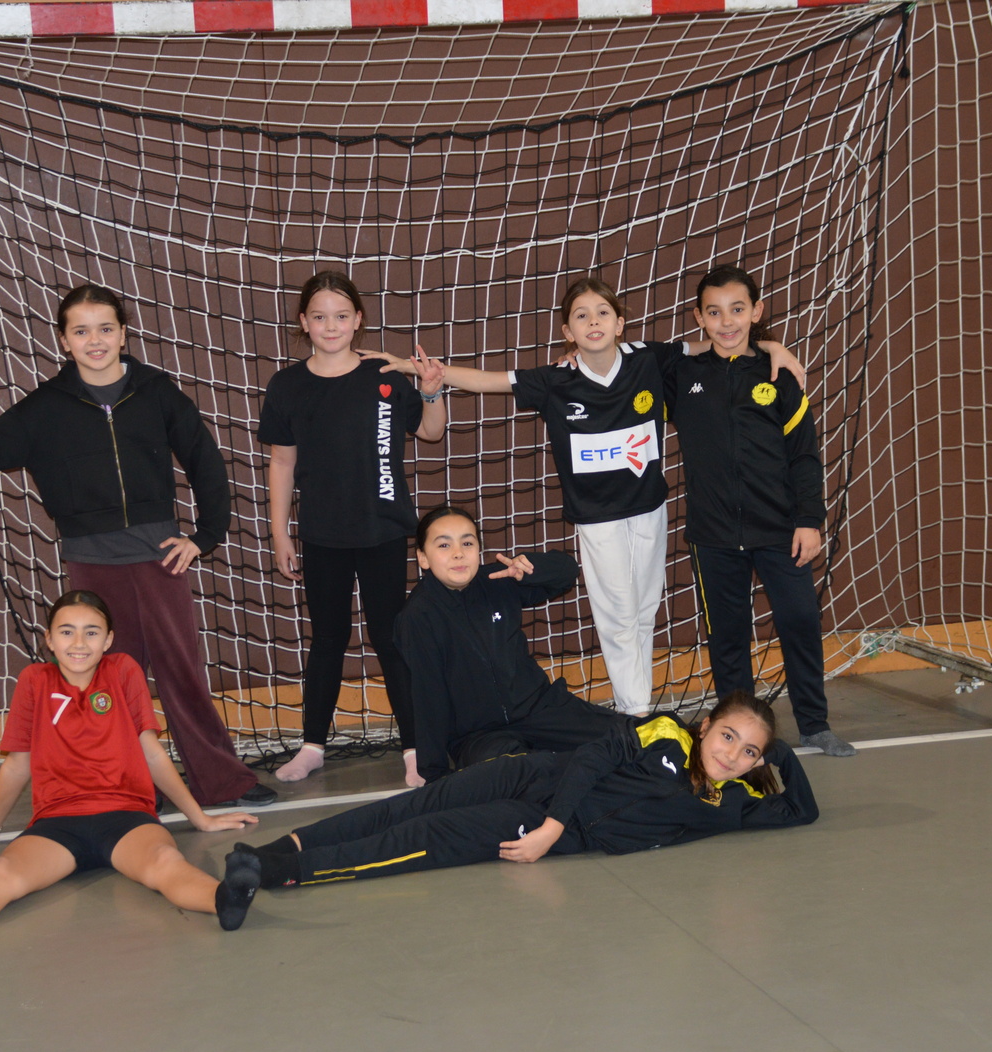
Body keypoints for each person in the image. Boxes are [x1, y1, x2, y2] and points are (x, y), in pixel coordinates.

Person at [0, 283, 275, 806]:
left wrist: (204, 536)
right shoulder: (46, 408)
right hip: (93, 565)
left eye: (106, 329)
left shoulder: (156, 393)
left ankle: (222, 782)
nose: (96, 341)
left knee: (182, 674)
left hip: (160, 559)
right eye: (82, 331)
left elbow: (205, 460)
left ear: (124, 334)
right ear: (64, 341)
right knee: (108, 681)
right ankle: (130, 785)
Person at [369, 278, 804, 717]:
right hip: (598, 519)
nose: (593, 321)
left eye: (602, 313)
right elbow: (488, 381)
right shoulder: (556, 379)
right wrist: (420, 369)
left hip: (650, 509)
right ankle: (635, 713)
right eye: (581, 315)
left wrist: (772, 347)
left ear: (619, 323)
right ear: (567, 331)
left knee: (644, 610)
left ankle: (638, 706)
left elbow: (717, 345)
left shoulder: (648, 357)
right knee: (617, 616)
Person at [0, 591, 263, 957]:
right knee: (2, 874)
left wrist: (200, 818)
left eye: (92, 632)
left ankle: (223, 900)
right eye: (67, 632)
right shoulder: (34, 680)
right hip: (57, 823)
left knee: (164, 862)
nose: (79, 642)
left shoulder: (123, 670)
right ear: (50, 640)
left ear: (108, 640)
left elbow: (152, 753)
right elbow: (17, 764)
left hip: (126, 817)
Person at [217, 690, 816, 892]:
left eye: (749, 752)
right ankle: (279, 849)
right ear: (705, 725)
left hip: (552, 828)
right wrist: (552, 827)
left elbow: (800, 811)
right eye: (729, 735)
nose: (731, 754)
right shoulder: (666, 734)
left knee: (425, 836)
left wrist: (779, 748)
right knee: (412, 803)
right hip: (537, 779)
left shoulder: (728, 804)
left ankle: (280, 874)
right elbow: (591, 759)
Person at [258, 271, 447, 787]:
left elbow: (430, 432)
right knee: (328, 638)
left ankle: (414, 748)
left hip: (382, 529)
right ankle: (313, 746)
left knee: (390, 637)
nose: (330, 325)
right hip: (322, 535)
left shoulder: (384, 375)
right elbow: (281, 463)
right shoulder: (288, 386)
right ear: (303, 322)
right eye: (319, 316)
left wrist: (431, 393)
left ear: (358, 319)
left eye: (341, 316)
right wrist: (280, 532)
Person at [666, 265, 854, 756]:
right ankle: (740, 734)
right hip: (712, 535)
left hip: (780, 530)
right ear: (699, 318)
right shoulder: (682, 376)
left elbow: (804, 456)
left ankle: (814, 723)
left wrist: (809, 520)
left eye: (737, 309)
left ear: (756, 311)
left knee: (799, 622)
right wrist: (577, 358)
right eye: (714, 312)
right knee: (728, 639)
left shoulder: (780, 376)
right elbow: (625, 368)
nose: (726, 321)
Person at [398, 504, 623, 784]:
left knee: (633, 737)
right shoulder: (418, 616)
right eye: (444, 545)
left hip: (543, 712)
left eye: (467, 543)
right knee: (516, 776)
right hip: (480, 737)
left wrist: (530, 569)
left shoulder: (499, 579)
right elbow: (428, 696)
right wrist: (434, 774)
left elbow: (567, 572)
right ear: (423, 558)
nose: (458, 553)